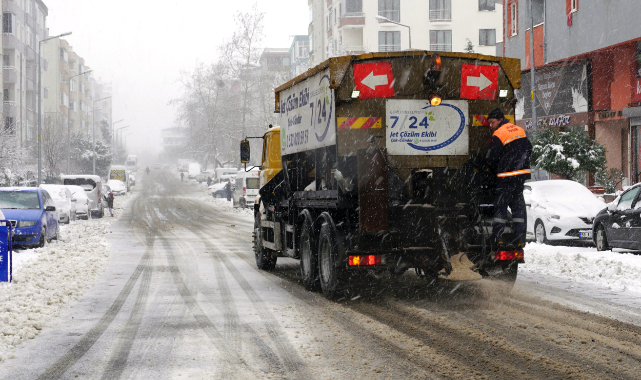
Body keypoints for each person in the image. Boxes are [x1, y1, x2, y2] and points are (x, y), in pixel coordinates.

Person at [486, 108, 532, 249]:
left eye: (492, 122)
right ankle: (519, 238)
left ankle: (498, 238)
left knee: (500, 208)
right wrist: (522, 163)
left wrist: (495, 165)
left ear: (500, 120)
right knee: (517, 208)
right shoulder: (519, 129)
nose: (490, 126)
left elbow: (491, 158)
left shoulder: (499, 134)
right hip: (520, 176)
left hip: (506, 177)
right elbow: (529, 148)